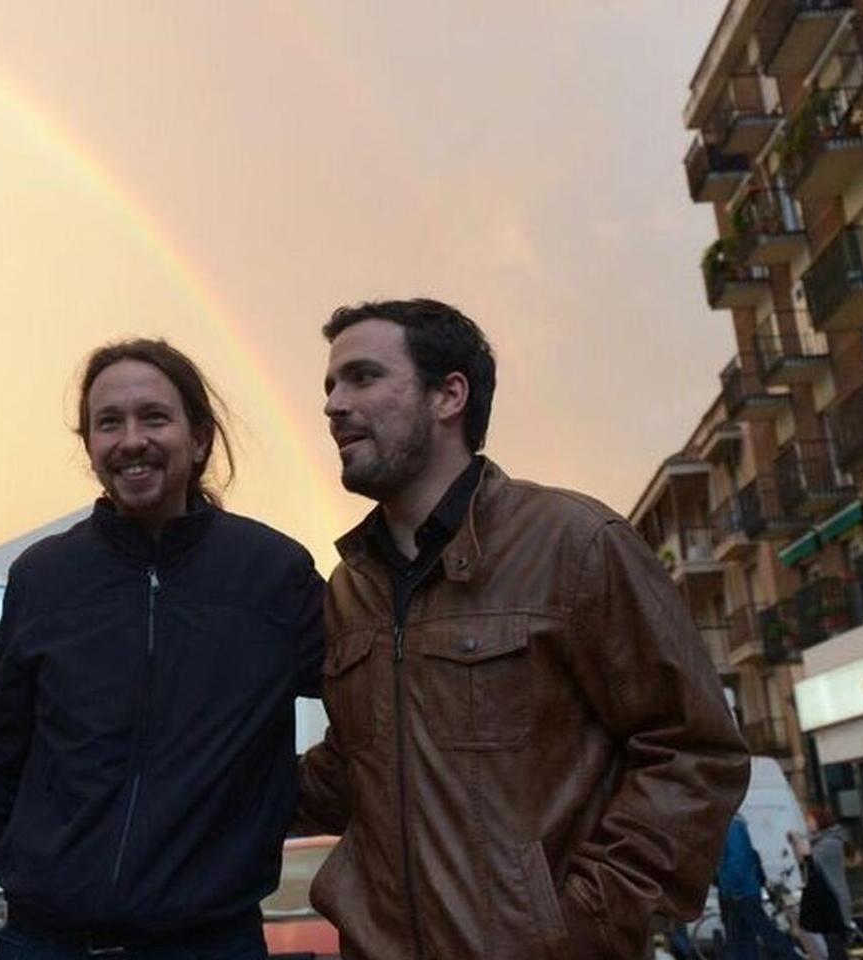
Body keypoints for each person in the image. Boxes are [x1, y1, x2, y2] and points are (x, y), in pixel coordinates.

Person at [295, 298, 750, 958]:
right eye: (330, 385)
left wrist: (587, 922)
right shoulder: (350, 589)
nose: (334, 404)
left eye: (362, 377)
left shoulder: (577, 543)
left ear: (449, 395)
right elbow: (352, 773)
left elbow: (696, 751)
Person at [0, 339, 324, 960]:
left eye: (155, 417)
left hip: (210, 943)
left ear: (200, 437)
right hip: (44, 942)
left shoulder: (273, 572)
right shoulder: (44, 577)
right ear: (91, 448)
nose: (131, 439)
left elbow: (371, 705)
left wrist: (288, 796)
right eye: (109, 422)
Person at [715, 816, 799, 960]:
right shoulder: (730, 825)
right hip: (740, 891)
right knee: (744, 939)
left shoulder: (731, 826)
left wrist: (732, 889)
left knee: (759, 935)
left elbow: (737, 860)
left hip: (740, 892)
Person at [802, 805, 852, 960]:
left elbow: (810, 861)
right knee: (832, 946)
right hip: (825, 901)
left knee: (835, 946)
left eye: (810, 820)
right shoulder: (821, 841)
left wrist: (798, 844)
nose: (807, 824)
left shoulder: (830, 843)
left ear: (820, 822)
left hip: (833, 902)